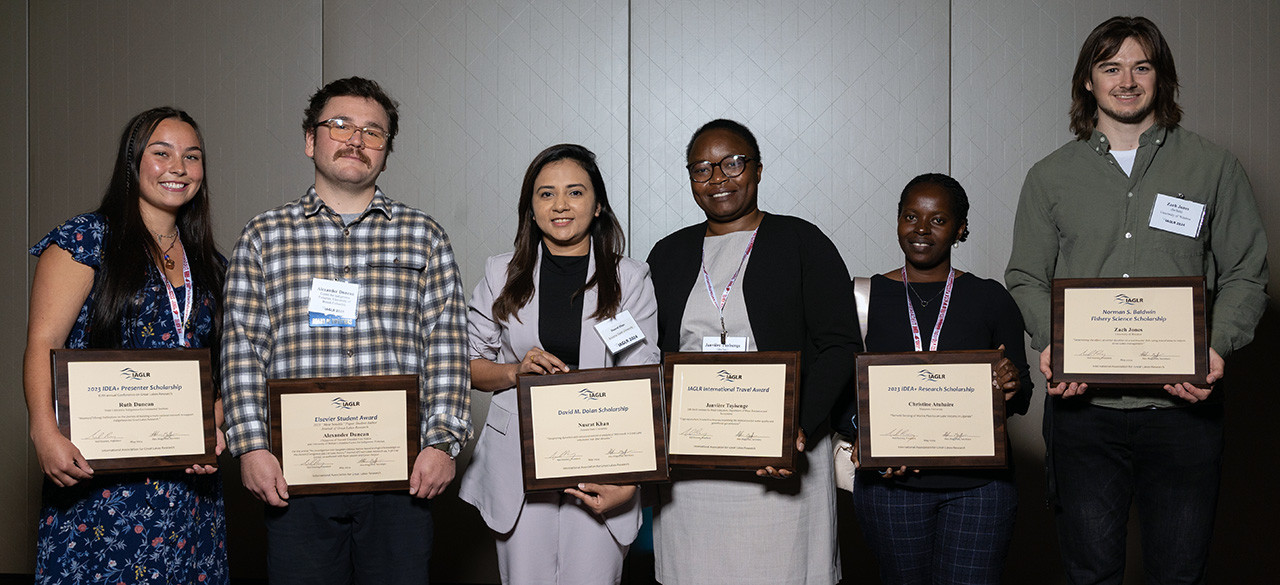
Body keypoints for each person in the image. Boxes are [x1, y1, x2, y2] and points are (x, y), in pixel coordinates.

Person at [1005, 16, 1268, 585]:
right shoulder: (1050, 177)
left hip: (1183, 412)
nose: (1127, 81)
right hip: (1084, 414)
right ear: (1088, 82)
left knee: (1179, 573)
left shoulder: (1212, 167)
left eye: (1141, 66)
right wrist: (1052, 341)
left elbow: (1247, 272)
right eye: (1111, 67)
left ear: (1161, 78)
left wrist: (1217, 348)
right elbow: (1025, 275)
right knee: (1089, 572)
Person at [221, 77, 471, 585]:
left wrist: (442, 444)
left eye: (373, 132)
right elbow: (244, 347)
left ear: (386, 152)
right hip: (295, 476)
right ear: (310, 140)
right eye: (339, 125)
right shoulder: (263, 236)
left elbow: (446, 344)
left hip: (403, 477)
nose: (355, 139)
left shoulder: (424, 235)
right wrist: (250, 446)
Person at [646, 119, 860, 585]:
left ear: (758, 170)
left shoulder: (803, 242)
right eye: (702, 168)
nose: (718, 178)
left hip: (782, 458)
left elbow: (840, 345)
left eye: (733, 163)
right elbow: (646, 351)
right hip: (691, 471)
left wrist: (797, 426)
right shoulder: (668, 253)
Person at [24, 107, 228, 584]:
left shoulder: (211, 262)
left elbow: (224, 366)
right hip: (98, 484)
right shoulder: (86, 240)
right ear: (133, 162)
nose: (178, 168)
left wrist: (212, 426)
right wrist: (43, 432)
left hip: (189, 491)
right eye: (162, 153)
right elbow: (43, 341)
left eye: (192, 157)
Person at [460, 143, 660, 584]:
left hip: (602, 461)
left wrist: (628, 481)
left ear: (598, 204)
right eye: (546, 194)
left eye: (575, 192)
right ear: (530, 209)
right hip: (519, 464)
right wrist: (514, 371)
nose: (561, 205)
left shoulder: (629, 278)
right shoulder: (501, 273)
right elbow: (468, 365)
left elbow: (641, 378)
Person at [837, 173, 1031, 585]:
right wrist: (867, 436)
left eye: (938, 220)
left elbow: (1023, 394)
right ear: (897, 221)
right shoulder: (860, 297)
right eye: (911, 216)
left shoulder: (991, 297)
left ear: (960, 228)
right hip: (891, 486)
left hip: (979, 489)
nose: (921, 229)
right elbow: (839, 392)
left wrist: (1010, 385)